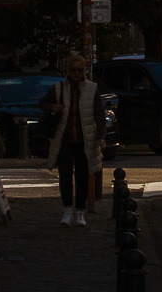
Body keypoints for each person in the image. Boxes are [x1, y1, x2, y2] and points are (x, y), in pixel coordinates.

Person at [38, 54, 106, 228]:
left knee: (83, 175)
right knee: (65, 175)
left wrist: (100, 136)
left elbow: (99, 113)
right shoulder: (59, 88)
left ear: (84, 71)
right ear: (68, 71)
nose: (77, 73)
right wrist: (53, 107)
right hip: (64, 138)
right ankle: (67, 208)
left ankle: (80, 211)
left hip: (85, 139)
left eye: (80, 70)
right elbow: (42, 103)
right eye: (74, 70)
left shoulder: (91, 89)